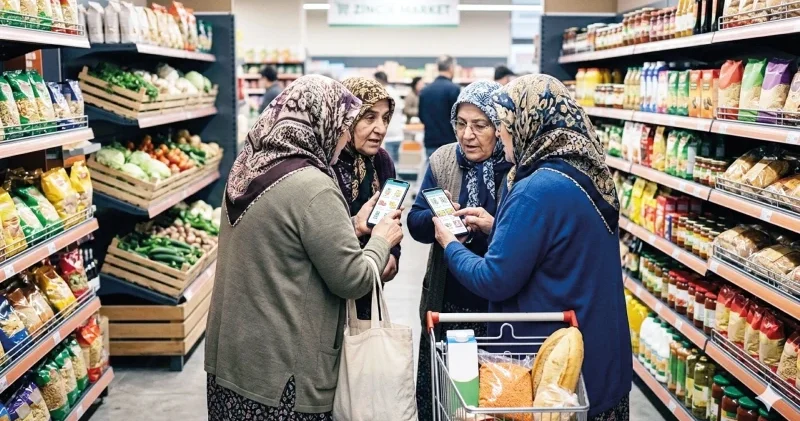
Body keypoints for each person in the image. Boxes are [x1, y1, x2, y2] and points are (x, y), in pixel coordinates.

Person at [432, 75, 632, 419]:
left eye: (505, 126)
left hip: (553, 369)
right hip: (599, 354)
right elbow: (561, 246)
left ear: (528, 124)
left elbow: (494, 279)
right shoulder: (587, 173)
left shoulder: (534, 190)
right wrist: (500, 228)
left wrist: (450, 245)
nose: (502, 137)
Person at [205, 75, 404, 421]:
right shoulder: (315, 186)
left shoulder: (247, 169)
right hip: (282, 376)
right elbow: (353, 279)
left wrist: (352, 225)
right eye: (343, 127)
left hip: (232, 361)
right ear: (321, 123)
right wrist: (381, 240)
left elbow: (284, 240)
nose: (344, 137)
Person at [408, 80, 512, 421]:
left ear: (500, 127)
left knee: (491, 400)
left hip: (496, 310)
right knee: (444, 398)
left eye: (480, 125)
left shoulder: (515, 168)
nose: (468, 135)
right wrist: (438, 221)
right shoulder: (443, 160)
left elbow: (523, 239)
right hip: (447, 302)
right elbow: (415, 221)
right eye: (461, 123)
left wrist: (492, 226)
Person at [332, 77, 401, 319]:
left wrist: (393, 254)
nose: (381, 128)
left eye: (385, 118)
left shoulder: (381, 161)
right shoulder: (327, 162)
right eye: (369, 117)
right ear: (346, 118)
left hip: (371, 284)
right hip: (331, 290)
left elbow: (391, 216)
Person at [418, 55, 460, 159]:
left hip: (430, 141)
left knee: (432, 168)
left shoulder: (425, 90)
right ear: (451, 68)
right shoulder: (454, 89)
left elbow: (421, 116)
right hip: (449, 142)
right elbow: (458, 117)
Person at [373, 71, 406, 164]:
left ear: (378, 80)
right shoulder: (394, 92)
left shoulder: (382, 93)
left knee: (388, 165)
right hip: (398, 134)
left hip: (388, 135)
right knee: (395, 164)